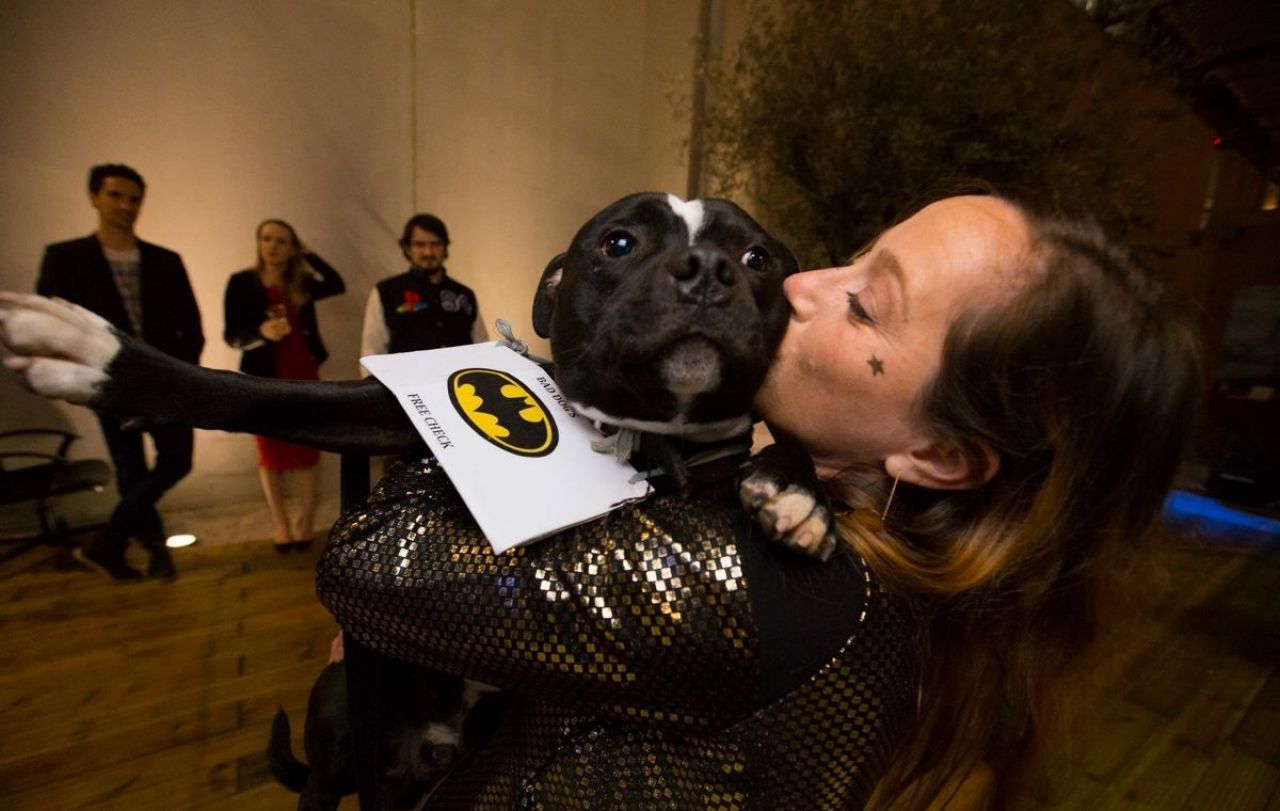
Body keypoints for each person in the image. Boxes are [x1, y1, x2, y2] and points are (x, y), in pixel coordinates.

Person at [2, 188, 1202, 808]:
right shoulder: (878, 538)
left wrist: (522, 391)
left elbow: (374, 565)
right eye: (834, 257)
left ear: (942, 455)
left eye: (864, 302)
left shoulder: (762, 592)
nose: (796, 286)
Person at [36, 163, 203, 583]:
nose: (126, 206)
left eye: (133, 198)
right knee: (130, 471)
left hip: (164, 382)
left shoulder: (165, 261)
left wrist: (182, 374)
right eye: (116, 196)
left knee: (177, 461)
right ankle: (154, 551)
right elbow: (53, 326)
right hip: (108, 383)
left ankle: (109, 543)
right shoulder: (66, 258)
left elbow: (191, 324)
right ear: (94, 197)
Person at [223, 219, 345, 551]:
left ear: (291, 247)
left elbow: (336, 283)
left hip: (303, 370)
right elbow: (231, 335)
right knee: (270, 451)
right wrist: (260, 333)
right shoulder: (241, 283)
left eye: (282, 241)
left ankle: (305, 520)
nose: (273, 246)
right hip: (263, 377)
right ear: (258, 243)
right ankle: (281, 522)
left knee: (306, 448)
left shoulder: (301, 282)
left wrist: (307, 252)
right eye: (267, 239)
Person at [359, 213, 488, 362]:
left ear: (445, 248)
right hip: (406, 383)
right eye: (420, 245)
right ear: (407, 249)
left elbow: (482, 348)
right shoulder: (386, 292)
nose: (428, 252)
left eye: (435, 244)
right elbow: (371, 352)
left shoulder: (464, 295)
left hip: (458, 383)